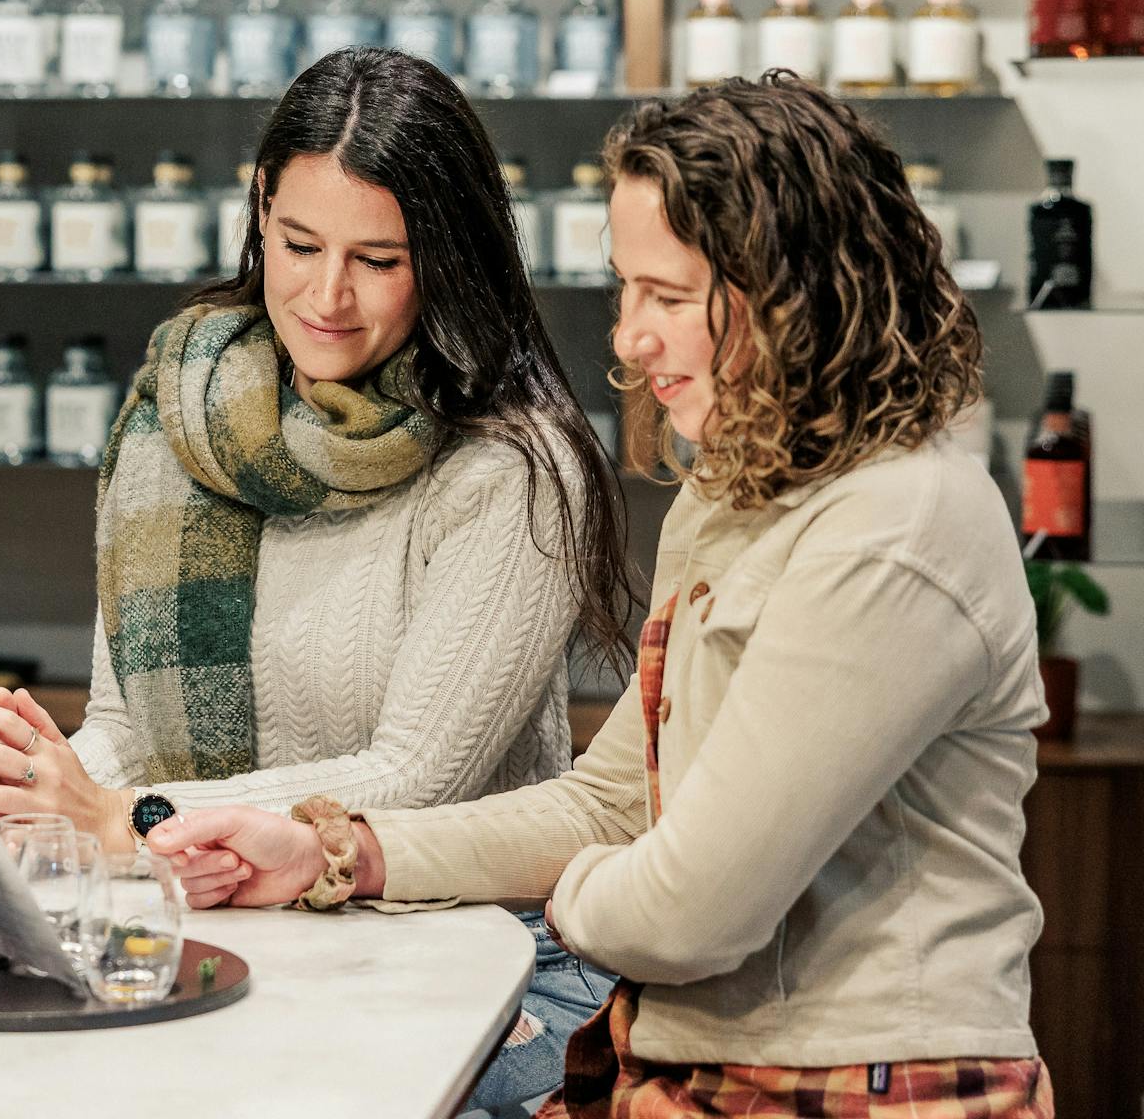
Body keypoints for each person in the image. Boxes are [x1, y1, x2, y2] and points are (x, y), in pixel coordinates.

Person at [152, 72, 1051, 1118]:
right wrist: (334, 852)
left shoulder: (892, 527)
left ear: (800, 294)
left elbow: (686, 915)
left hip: (869, 1087)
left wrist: (555, 907)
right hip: (696, 1065)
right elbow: (610, 801)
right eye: (624, 289)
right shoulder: (737, 495)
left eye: (667, 297)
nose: (627, 337)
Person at [0, 46, 636, 1109]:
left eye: (380, 259)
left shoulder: (509, 468)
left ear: (447, 257)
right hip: (199, 931)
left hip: (460, 961)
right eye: (299, 242)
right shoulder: (179, 418)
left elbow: (413, 783)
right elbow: (124, 719)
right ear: (259, 208)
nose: (327, 295)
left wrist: (119, 815)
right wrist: (39, 795)